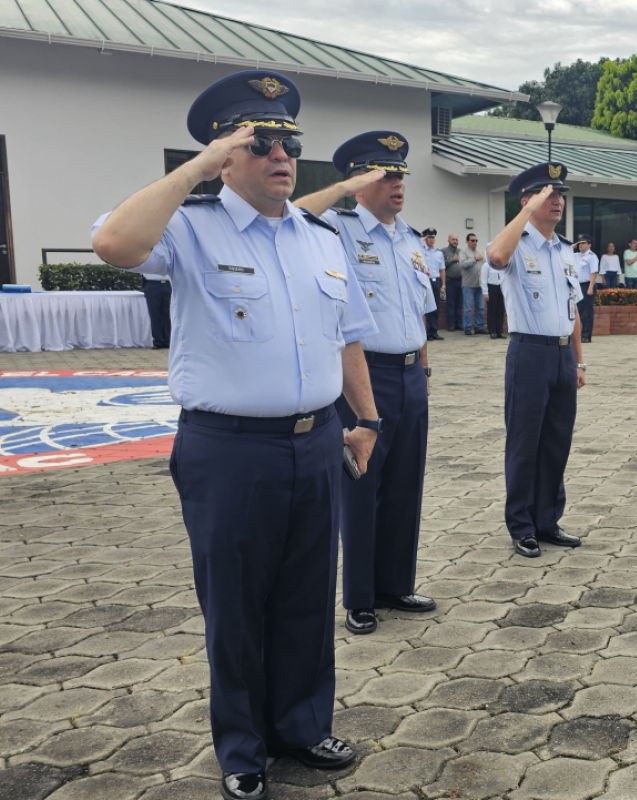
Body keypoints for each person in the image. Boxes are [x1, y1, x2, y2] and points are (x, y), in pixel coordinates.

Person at [89, 69, 378, 800]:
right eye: (261, 142)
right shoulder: (187, 228)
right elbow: (114, 244)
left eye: (288, 142)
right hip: (229, 450)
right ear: (226, 156)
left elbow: (347, 339)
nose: (281, 154)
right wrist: (194, 169)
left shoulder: (320, 238)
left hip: (317, 441)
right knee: (237, 605)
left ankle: (303, 727)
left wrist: (367, 418)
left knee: (309, 599)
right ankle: (243, 747)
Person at [294, 129, 439, 638]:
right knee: (362, 485)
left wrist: (422, 367)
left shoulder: (409, 239)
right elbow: (294, 214)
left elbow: (420, 311)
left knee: (404, 484)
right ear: (359, 181)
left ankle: (394, 584)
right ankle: (358, 597)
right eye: (384, 174)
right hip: (362, 375)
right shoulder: (335, 227)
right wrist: (342, 190)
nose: (396, 183)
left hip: (409, 373)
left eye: (400, 173)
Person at [485, 162, 586, 559]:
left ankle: (547, 520)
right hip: (528, 353)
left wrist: (579, 362)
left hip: (562, 354)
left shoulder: (563, 250)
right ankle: (522, 525)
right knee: (525, 444)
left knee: (556, 442)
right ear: (527, 200)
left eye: (560, 194)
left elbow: (572, 307)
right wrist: (526, 213)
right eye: (549, 194)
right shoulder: (516, 242)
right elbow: (494, 257)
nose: (557, 200)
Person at [459, 233, 487, 335]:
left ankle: (479, 327)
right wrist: (474, 259)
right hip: (468, 285)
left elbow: (484, 265)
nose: (475, 242)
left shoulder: (479, 253)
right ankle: (467, 327)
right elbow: (462, 264)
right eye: (472, 240)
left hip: (479, 285)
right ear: (467, 241)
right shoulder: (463, 252)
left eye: (476, 240)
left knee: (480, 306)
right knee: (468, 307)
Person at [575, 233, 599, 342]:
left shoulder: (592, 257)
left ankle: (586, 335)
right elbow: (563, 252)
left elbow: (594, 273)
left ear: (589, 245)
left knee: (586, 312)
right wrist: (574, 245)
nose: (580, 245)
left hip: (587, 285)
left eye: (583, 243)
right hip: (577, 286)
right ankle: (578, 334)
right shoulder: (576, 255)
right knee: (577, 311)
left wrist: (590, 288)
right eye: (579, 243)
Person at [421, 228, 444, 340]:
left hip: (436, 281)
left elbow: (442, 270)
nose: (431, 239)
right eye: (429, 237)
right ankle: (426, 332)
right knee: (426, 307)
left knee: (435, 307)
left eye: (433, 237)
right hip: (426, 280)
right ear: (425, 238)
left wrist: (443, 285)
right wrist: (421, 240)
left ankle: (434, 331)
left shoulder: (439, 253)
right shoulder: (421, 250)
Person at [141, 272, 172, 348]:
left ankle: (168, 340)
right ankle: (158, 341)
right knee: (154, 313)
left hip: (168, 284)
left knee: (168, 314)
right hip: (152, 284)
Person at [443, 233, 462, 330]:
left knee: (459, 303)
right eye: (453, 239)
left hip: (461, 280)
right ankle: (451, 324)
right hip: (450, 281)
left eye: (456, 240)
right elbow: (442, 265)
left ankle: (459, 324)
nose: (455, 241)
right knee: (451, 303)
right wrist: (453, 260)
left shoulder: (460, 251)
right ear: (448, 240)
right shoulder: (443, 251)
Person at [483, 258, 506, 338]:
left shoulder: (503, 265)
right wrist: (485, 292)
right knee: (492, 311)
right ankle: (492, 331)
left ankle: (499, 331)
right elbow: (483, 280)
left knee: (500, 310)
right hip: (492, 288)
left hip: (501, 288)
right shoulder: (487, 265)